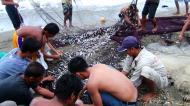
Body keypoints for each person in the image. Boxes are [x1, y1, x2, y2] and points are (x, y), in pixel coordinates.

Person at [68, 56, 138, 106]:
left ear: (77, 74)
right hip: (135, 94)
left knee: (91, 92)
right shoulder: (99, 66)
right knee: (93, 90)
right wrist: (79, 95)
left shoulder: (92, 84)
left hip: (129, 104)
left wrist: (82, 104)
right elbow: (88, 85)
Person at [117, 36, 168, 102]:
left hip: (161, 81)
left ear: (132, 49)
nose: (126, 52)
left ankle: (152, 93)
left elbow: (133, 83)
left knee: (145, 70)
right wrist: (116, 81)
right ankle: (145, 80)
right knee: (141, 72)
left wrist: (120, 91)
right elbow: (125, 71)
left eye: (126, 50)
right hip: (153, 74)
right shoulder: (132, 53)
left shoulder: (144, 60)